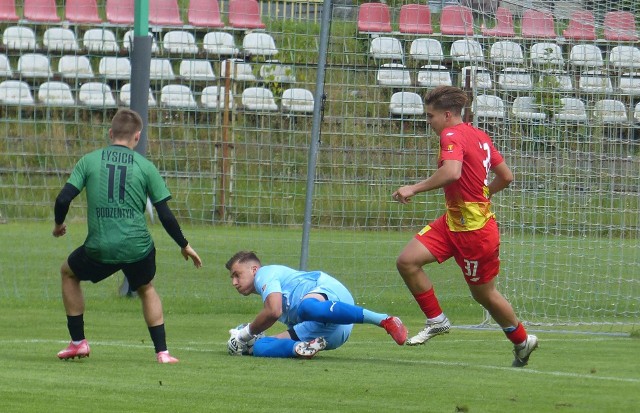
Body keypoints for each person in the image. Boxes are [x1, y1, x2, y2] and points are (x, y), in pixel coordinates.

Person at [392, 86, 538, 367]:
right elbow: (506, 176)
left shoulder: (451, 134)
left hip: (474, 232)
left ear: (447, 115)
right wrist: (483, 194)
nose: (429, 122)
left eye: (430, 116)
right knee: (407, 261)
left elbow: (452, 172)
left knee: (484, 294)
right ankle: (436, 320)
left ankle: (522, 341)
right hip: (452, 222)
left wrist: (414, 187)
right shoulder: (479, 135)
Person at [52, 109, 202, 364]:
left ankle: (78, 342)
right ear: (137, 137)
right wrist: (184, 244)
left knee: (68, 272)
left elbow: (63, 198)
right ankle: (162, 352)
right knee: (146, 287)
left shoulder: (89, 161)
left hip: (99, 248)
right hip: (138, 248)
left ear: (111, 133)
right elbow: (165, 214)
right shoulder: (145, 166)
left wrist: (58, 225)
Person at [225, 251, 408, 358]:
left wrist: (245, 334)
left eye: (236, 275)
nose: (234, 282)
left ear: (254, 269)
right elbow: (277, 316)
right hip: (333, 334)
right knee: (261, 348)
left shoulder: (264, 274)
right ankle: (301, 349)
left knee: (307, 307)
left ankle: (385, 320)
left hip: (333, 296)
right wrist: (253, 343)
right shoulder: (271, 295)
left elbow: (273, 311)